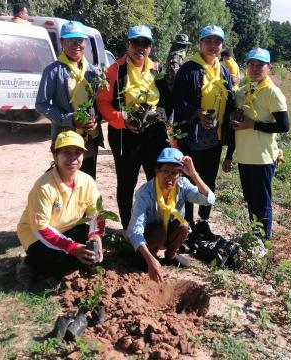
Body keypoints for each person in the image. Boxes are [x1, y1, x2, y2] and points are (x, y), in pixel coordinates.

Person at [96, 25, 171, 229]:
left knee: (156, 179)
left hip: (153, 135)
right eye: (135, 42)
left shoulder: (158, 71)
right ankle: (129, 227)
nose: (140, 47)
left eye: (145, 43)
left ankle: (154, 223)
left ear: (150, 47)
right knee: (127, 183)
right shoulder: (114, 71)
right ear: (127, 44)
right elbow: (102, 103)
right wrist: (122, 119)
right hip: (125, 135)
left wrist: (166, 124)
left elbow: (167, 101)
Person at [17, 131, 105, 279]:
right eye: (66, 152)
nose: (73, 158)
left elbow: (96, 213)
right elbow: (41, 228)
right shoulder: (44, 187)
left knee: (93, 248)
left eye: (77, 152)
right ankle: (27, 263)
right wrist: (73, 247)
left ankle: (75, 257)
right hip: (36, 235)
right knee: (59, 266)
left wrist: (96, 237)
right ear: (55, 156)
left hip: (68, 228)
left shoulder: (87, 181)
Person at [172, 25, 235, 234]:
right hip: (192, 135)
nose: (212, 46)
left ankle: (204, 218)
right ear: (200, 44)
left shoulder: (224, 71)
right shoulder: (188, 69)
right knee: (189, 177)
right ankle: (187, 219)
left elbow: (230, 101)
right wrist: (196, 113)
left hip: (214, 136)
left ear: (222, 46)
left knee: (209, 177)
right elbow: (177, 101)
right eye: (208, 41)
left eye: (217, 42)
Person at [223, 48, 289, 239]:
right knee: (251, 200)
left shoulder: (272, 92)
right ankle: (255, 235)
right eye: (251, 64)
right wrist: (229, 156)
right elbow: (237, 127)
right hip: (244, 157)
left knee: (262, 203)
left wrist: (253, 125)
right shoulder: (242, 93)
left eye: (260, 64)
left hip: (263, 157)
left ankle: (263, 241)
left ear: (269, 67)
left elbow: (284, 126)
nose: (255, 68)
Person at [127, 147, 215, 282]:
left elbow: (208, 200)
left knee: (183, 226)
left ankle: (171, 255)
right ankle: (147, 256)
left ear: (180, 174)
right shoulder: (145, 193)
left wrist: (193, 174)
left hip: (169, 228)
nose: (169, 177)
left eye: (174, 172)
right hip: (151, 234)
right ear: (157, 171)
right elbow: (134, 230)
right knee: (158, 233)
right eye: (165, 171)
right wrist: (150, 260)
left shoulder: (182, 184)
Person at [36, 21, 102, 179]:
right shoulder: (53, 71)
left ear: (85, 42)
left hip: (88, 138)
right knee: (65, 182)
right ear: (62, 43)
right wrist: (70, 120)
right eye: (71, 40)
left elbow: (98, 103)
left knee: (87, 180)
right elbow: (41, 104)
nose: (76, 45)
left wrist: (96, 120)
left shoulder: (93, 72)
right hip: (65, 138)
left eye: (80, 40)